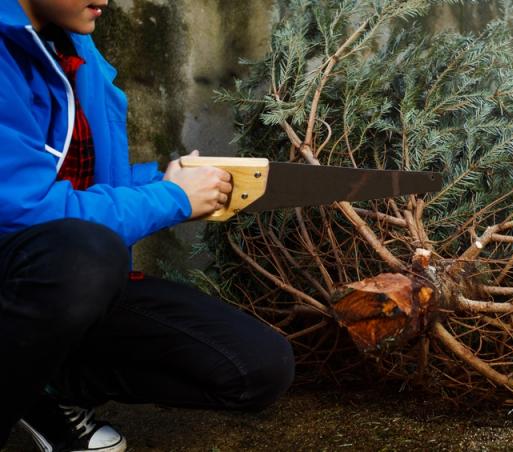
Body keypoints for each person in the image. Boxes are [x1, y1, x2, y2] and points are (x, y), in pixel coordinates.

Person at [0, 1, 295, 451]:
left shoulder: (73, 47)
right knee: (88, 257)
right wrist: (171, 199)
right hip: (35, 273)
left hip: (61, 278)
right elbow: (25, 210)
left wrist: (168, 184)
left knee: (258, 366)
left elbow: (91, 185)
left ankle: (46, 392)